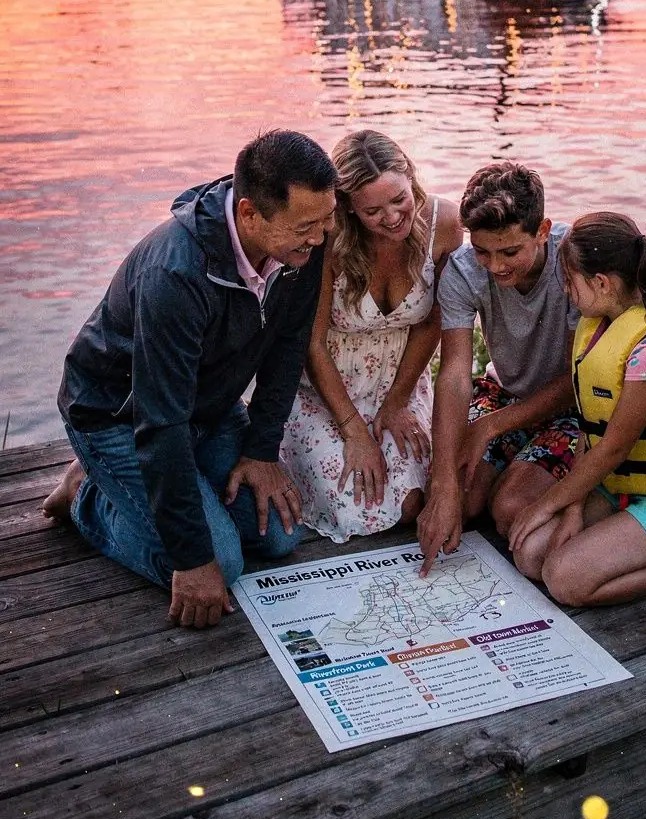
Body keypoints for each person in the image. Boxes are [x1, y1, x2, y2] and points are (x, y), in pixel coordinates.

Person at [43, 130, 337, 629]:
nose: (321, 236)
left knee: (280, 537)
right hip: (120, 418)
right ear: (248, 214)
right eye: (307, 225)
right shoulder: (176, 276)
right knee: (219, 563)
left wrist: (262, 451)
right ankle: (89, 498)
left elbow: (287, 351)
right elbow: (159, 423)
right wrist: (190, 559)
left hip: (209, 409)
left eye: (327, 218)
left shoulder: (299, 249)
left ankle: (134, 490)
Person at [508, 211, 646, 605]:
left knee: (565, 582)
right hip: (621, 486)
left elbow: (612, 447)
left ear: (601, 283)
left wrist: (547, 504)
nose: (566, 291)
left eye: (570, 281)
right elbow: (589, 429)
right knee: (531, 555)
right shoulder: (599, 326)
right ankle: (623, 540)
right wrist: (574, 506)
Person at [280, 130, 461, 541]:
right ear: (347, 209)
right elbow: (313, 342)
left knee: (413, 501)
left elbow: (430, 321)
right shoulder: (329, 242)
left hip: (401, 381)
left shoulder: (444, 225)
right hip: (325, 391)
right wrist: (354, 432)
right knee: (362, 508)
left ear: (410, 176)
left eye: (399, 198)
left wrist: (398, 402)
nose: (393, 216)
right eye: (373, 210)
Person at [418, 161, 579, 575]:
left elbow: (575, 381)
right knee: (462, 500)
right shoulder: (463, 270)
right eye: (483, 251)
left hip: (573, 412)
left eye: (509, 252)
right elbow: (454, 371)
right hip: (503, 393)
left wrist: (490, 427)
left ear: (542, 231)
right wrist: (443, 485)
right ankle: (509, 471)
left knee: (510, 508)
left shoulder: (574, 264)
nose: (495, 266)